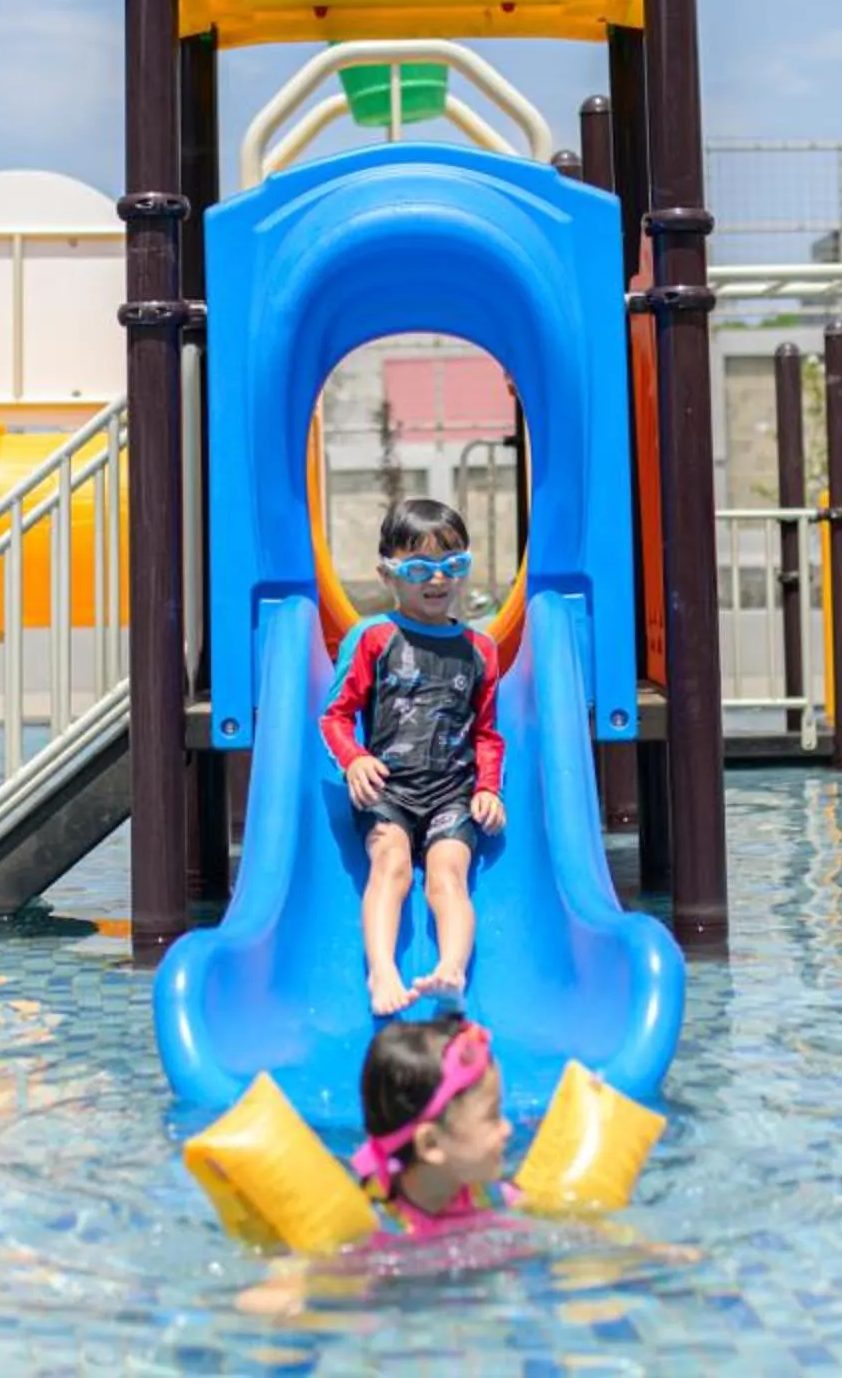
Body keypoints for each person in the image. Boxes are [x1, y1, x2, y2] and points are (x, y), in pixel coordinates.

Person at [319, 497, 506, 1017]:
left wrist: (488, 788)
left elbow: (488, 733)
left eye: (453, 566)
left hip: (453, 793)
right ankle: (382, 969)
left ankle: (451, 969)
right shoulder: (373, 638)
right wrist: (355, 760)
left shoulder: (480, 648)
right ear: (388, 574)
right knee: (392, 863)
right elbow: (334, 716)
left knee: (449, 875)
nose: (438, 580)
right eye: (421, 568)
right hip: (390, 792)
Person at [350, 1015, 516, 1238]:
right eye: (492, 1116)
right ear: (430, 1144)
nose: (508, 1129)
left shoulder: (491, 1196)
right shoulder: (377, 1229)